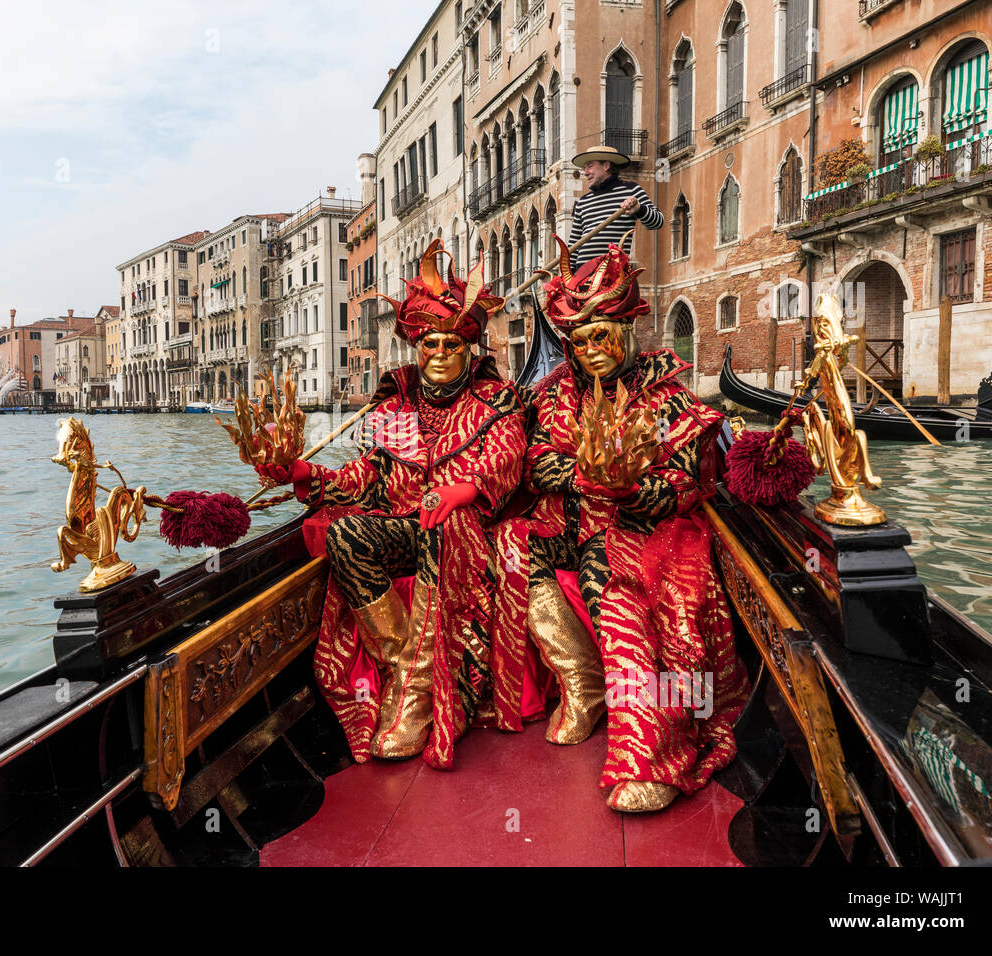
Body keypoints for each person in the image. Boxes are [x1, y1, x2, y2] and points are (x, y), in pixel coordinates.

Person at [488, 235, 748, 812]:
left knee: (622, 582)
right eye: (577, 342)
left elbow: (683, 480)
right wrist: (591, 475)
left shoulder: (667, 397)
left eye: (600, 335)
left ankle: (654, 751)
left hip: (644, 531)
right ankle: (582, 684)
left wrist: (630, 486)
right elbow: (538, 459)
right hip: (568, 522)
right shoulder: (557, 398)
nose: (589, 351)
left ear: (625, 331)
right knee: (509, 543)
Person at [256, 240, 526, 770]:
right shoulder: (397, 405)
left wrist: (460, 491)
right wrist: (308, 475)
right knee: (345, 534)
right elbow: (371, 477)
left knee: (442, 524)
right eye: (430, 343)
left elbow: (505, 457)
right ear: (416, 346)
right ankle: (409, 668)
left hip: (469, 537)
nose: (442, 353)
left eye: (452, 343)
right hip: (409, 530)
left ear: (469, 347)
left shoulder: (496, 400)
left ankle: (417, 698)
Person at [567, 144, 664, 272]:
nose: (585, 172)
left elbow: (658, 222)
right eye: (585, 167)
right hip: (583, 274)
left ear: (606, 166)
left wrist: (639, 209)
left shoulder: (631, 190)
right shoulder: (583, 201)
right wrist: (567, 277)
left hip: (613, 272)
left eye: (590, 166)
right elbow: (573, 246)